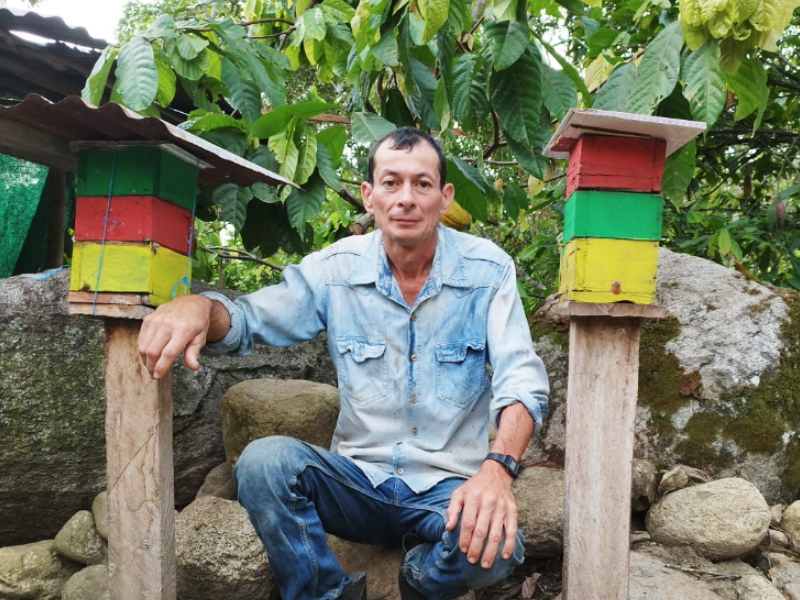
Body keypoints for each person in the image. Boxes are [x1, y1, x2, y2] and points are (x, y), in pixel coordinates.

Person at [138, 127, 549, 600]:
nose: (406, 198)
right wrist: (200, 306)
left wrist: (497, 471)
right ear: (369, 196)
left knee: (499, 548)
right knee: (263, 463)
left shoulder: (487, 270)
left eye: (422, 183)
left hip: (446, 491)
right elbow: (251, 318)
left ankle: (417, 576)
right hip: (357, 484)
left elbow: (521, 379)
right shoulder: (336, 270)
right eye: (391, 183)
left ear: (444, 197)